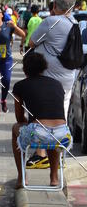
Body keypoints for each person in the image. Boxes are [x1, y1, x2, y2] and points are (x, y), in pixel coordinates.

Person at [27, 0, 81, 169]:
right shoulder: (75, 23)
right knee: (62, 115)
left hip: (48, 79)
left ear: (55, 4)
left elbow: (32, 42)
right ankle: (59, 156)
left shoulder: (51, 21)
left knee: (42, 114)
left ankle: (41, 154)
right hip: (67, 78)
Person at [12, 52, 71, 189]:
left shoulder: (20, 86)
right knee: (51, 135)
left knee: (15, 128)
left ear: (25, 69)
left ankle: (22, 177)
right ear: (44, 67)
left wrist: (30, 122)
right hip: (63, 135)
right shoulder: (57, 84)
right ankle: (54, 177)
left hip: (37, 134)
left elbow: (19, 118)